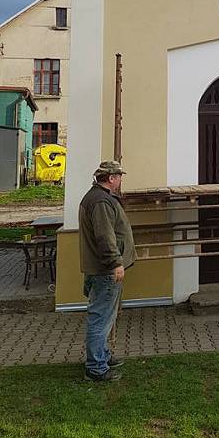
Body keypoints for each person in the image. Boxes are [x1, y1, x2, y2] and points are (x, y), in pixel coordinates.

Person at [79, 159, 136, 381]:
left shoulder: (97, 198)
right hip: (105, 270)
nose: (121, 180)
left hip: (100, 268)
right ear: (111, 178)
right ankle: (95, 368)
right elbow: (105, 237)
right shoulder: (101, 202)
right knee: (101, 317)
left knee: (104, 316)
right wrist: (116, 263)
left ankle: (101, 356)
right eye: (119, 176)